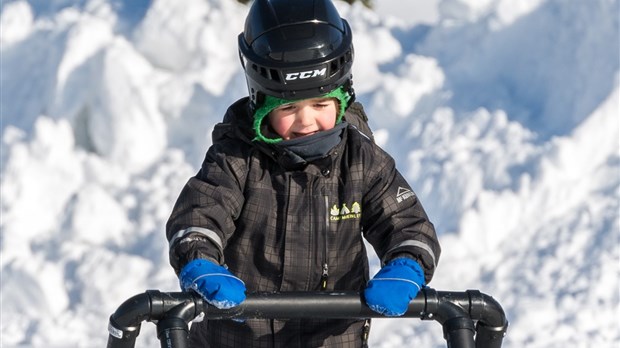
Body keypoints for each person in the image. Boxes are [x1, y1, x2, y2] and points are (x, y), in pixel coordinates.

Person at [166, 0, 441, 346]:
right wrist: (201, 262)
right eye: (289, 107)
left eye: (321, 105)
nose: (307, 121)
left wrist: (406, 265)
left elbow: (407, 224)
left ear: (343, 97)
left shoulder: (361, 161)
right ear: (260, 101)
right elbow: (201, 214)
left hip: (331, 338)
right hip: (238, 336)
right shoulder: (236, 159)